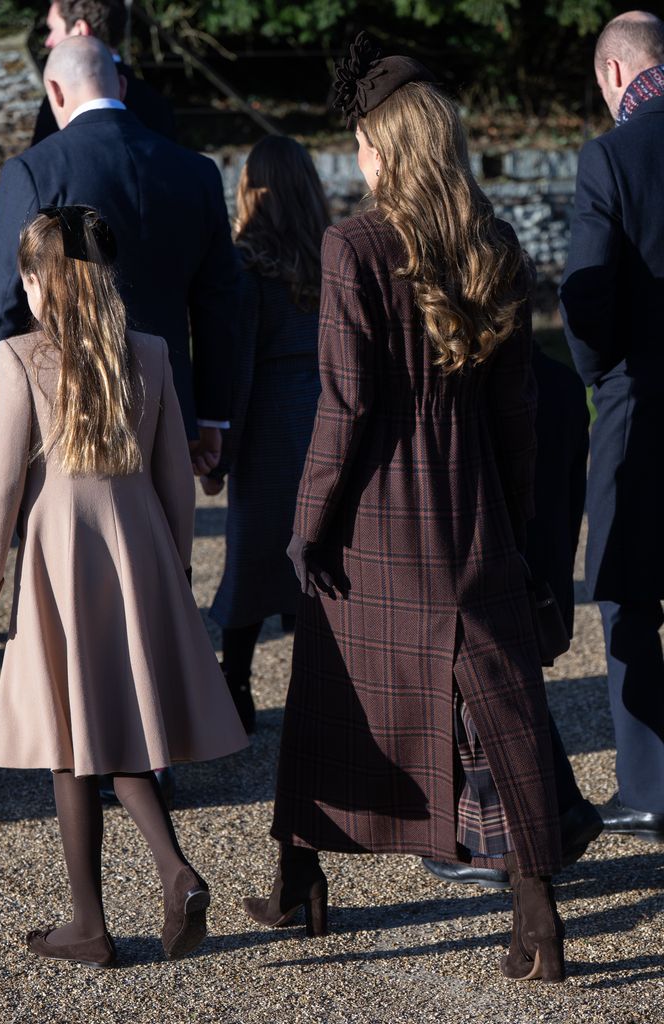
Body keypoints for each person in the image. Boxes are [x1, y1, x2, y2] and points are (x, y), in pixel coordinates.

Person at [244, 34, 566, 983]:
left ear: (387, 145)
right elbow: (519, 416)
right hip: (470, 515)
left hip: (378, 526)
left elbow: (343, 409)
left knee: (328, 697)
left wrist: (306, 526)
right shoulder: (492, 242)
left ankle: (302, 879)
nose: (357, 157)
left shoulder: (356, 245)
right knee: (495, 718)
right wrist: (510, 522)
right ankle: (533, 917)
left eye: (363, 140)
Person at [0, 207, 247, 967]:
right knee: (116, 727)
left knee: (71, 734)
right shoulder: (148, 353)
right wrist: (173, 571)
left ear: (37, 282)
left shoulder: (23, 357)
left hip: (62, 559)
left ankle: (90, 926)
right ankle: (172, 869)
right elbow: (176, 482)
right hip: (140, 553)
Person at [0, 35, 235, 475]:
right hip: (169, 405)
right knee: (158, 539)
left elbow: (2, 298)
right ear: (122, 88)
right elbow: (219, 303)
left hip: (71, 402)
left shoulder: (38, 170)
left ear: (54, 90)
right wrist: (210, 415)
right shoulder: (197, 172)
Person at [420, 338, 603, 891]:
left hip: (489, 570)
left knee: (485, 693)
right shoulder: (566, 384)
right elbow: (569, 503)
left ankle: (510, 844)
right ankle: (565, 813)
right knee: (505, 691)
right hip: (541, 573)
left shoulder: (471, 386)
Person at [560, 10, 664, 843]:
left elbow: (586, 295)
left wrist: (600, 376)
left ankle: (649, 787)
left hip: (640, 398)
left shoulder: (610, 156)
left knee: (628, 595)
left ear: (615, 75)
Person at [203, 136, 329, 733]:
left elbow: (241, 363)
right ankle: (318, 693)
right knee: (317, 556)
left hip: (270, 424)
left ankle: (236, 686)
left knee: (252, 555)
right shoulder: (335, 254)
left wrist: (220, 451)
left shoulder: (245, 264)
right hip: (325, 417)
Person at [32, 0, 177, 145]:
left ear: (80, 29)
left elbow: (41, 161)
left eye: (53, 29)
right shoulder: (156, 101)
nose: (48, 41)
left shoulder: (62, 97)